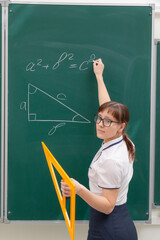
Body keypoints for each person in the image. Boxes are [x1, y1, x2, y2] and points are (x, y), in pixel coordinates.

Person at [61, 59, 138, 240]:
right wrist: (99, 77)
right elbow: (108, 108)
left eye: (107, 122)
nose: (100, 125)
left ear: (121, 126)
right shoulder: (123, 140)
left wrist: (79, 189)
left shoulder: (111, 160)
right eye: (99, 118)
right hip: (118, 223)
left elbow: (108, 206)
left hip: (109, 227)